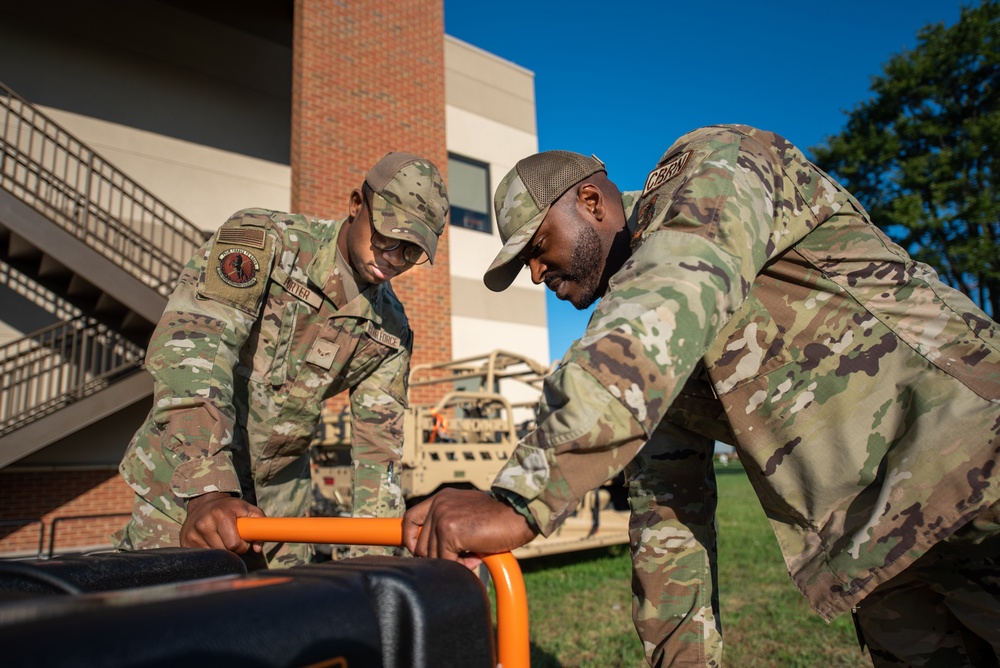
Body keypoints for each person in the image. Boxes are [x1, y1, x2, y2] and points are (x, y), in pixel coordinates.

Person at [402, 125, 1000, 667]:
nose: (536, 276)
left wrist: (519, 497)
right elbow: (668, 522)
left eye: (537, 247)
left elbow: (674, 288)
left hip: (975, 464)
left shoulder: (710, 169)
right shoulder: (645, 348)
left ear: (591, 202)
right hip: (883, 550)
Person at [114, 151, 449, 568]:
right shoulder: (266, 242)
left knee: (280, 625)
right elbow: (194, 349)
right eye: (386, 237)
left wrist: (374, 564)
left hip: (280, 514)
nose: (393, 258)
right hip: (187, 495)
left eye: (411, 251)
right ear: (356, 205)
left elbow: (379, 449)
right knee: (163, 622)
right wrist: (209, 491)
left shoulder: (390, 331)